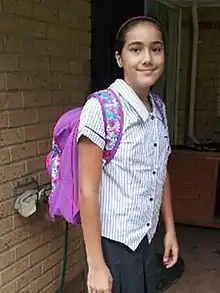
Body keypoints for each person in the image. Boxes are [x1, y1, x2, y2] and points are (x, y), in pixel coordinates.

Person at [77, 16, 179, 293]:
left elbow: (161, 170)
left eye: (156, 49)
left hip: (146, 239)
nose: (147, 58)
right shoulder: (101, 109)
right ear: (119, 58)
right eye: (136, 49)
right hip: (115, 247)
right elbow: (87, 191)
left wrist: (169, 228)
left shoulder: (158, 108)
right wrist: (97, 266)